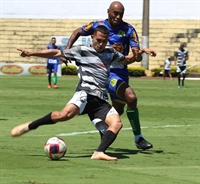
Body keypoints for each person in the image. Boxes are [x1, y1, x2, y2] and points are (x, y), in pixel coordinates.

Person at [11, 25, 156, 161]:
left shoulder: (110, 52)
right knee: (62, 116)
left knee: (116, 123)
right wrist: (30, 53)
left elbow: (126, 60)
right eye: (98, 41)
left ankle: (98, 153)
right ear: (92, 37)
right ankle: (29, 126)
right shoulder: (81, 50)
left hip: (100, 100)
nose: (100, 44)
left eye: (104, 41)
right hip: (85, 94)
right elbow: (56, 52)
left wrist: (141, 51)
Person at [63, 1, 154, 150]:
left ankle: (103, 133)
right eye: (115, 13)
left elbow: (135, 55)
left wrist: (139, 54)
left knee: (117, 111)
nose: (118, 17)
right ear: (108, 12)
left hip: (122, 74)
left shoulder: (129, 29)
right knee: (131, 97)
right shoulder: (98, 26)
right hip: (108, 73)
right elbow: (77, 32)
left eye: (121, 14)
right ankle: (138, 138)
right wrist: (67, 51)